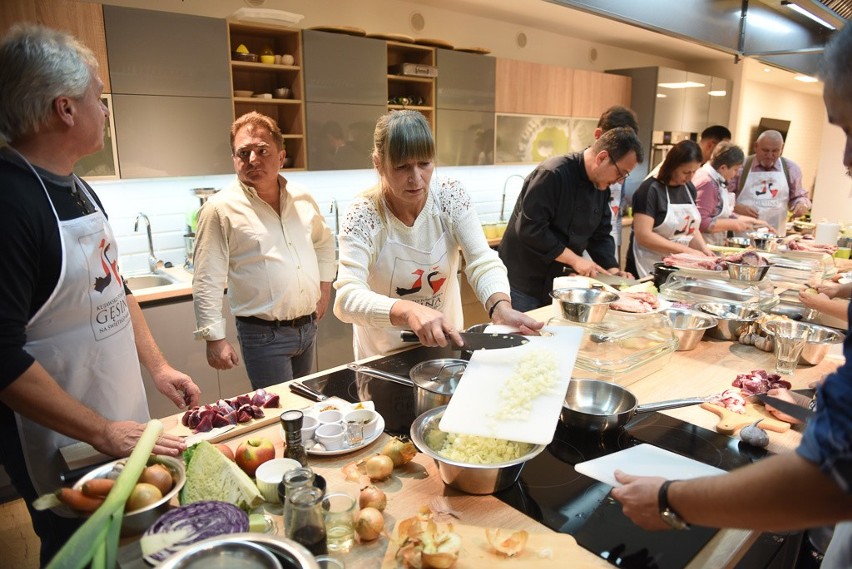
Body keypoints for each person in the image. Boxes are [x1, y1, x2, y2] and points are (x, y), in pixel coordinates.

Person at [612, 24, 852, 568]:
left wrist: (673, 499)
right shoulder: (656, 188)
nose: (846, 162)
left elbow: (831, 474)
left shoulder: (687, 187)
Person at [0, 24, 201, 564]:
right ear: (65, 109)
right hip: (60, 435)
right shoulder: (11, 203)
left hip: (116, 418)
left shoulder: (77, 183)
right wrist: (102, 430)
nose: (106, 111)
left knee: (132, 543)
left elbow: (116, 286)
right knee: (81, 549)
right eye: (98, 97)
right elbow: (1, 360)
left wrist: (157, 367)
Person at [334, 110, 541, 359]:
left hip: (446, 346)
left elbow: (481, 259)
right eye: (402, 167)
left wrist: (500, 306)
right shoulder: (363, 214)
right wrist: (407, 310)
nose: (416, 178)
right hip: (383, 356)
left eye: (425, 164)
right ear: (378, 164)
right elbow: (347, 298)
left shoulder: (450, 197)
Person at [192, 112, 336, 389]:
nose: (253, 160)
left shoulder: (303, 198)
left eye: (262, 151)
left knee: (305, 405)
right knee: (279, 413)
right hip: (263, 335)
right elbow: (206, 277)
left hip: (308, 328)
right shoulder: (219, 209)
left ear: (281, 157)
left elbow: (324, 242)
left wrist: (324, 288)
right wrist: (214, 338)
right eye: (243, 153)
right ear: (234, 160)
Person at [498, 127, 643, 311]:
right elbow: (531, 229)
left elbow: (600, 235)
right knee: (520, 337)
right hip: (522, 283)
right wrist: (575, 260)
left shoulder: (601, 188)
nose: (620, 181)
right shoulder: (553, 174)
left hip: (558, 284)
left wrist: (613, 271)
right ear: (602, 158)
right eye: (621, 173)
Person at [626, 139, 714, 278]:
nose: (690, 177)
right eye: (686, 172)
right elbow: (644, 236)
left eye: (694, 172)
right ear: (673, 166)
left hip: (677, 266)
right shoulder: (650, 190)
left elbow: (690, 227)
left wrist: (704, 250)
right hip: (648, 265)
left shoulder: (688, 188)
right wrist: (686, 251)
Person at [731, 129, 812, 235]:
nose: (769, 155)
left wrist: (802, 205)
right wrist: (735, 207)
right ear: (756, 147)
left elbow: (799, 196)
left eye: (775, 151)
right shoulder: (741, 167)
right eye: (765, 150)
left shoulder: (791, 168)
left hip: (775, 234)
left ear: (781, 149)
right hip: (742, 234)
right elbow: (723, 197)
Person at [692, 141, 771, 245]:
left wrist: (753, 222)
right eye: (735, 169)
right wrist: (733, 224)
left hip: (712, 245)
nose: (737, 174)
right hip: (701, 247)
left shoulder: (717, 179)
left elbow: (720, 213)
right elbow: (701, 223)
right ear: (723, 168)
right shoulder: (707, 183)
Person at [595, 106, 640, 263]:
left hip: (607, 249)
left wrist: (615, 261)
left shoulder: (620, 170)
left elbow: (615, 219)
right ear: (598, 135)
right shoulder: (573, 170)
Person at [646, 125, 732, 180]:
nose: (724, 154)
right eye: (723, 148)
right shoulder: (684, 155)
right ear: (710, 145)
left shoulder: (706, 167)